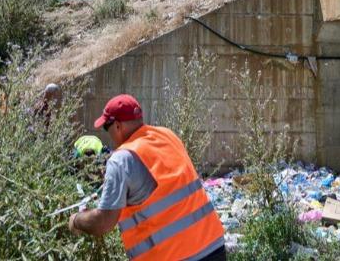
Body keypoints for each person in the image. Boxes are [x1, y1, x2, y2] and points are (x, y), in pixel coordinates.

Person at [67, 94, 226, 261]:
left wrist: (77, 220)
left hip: (172, 255)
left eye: (106, 128)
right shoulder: (168, 135)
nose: (108, 135)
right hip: (213, 247)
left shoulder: (121, 159)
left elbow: (104, 222)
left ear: (118, 126)